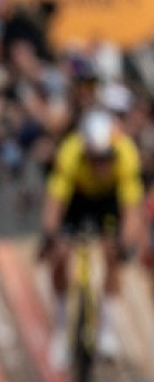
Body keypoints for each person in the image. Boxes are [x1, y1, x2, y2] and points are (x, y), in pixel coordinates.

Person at [41, 107, 144, 367]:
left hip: (109, 201)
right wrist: (51, 235)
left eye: (105, 158)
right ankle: (63, 331)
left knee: (112, 252)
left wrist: (125, 242)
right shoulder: (70, 153)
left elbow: (131, 209)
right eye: (94, 159)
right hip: (78, 198)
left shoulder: (126, 155)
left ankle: (106, 331)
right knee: (60, 254)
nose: (100, 164)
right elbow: (55, 202)